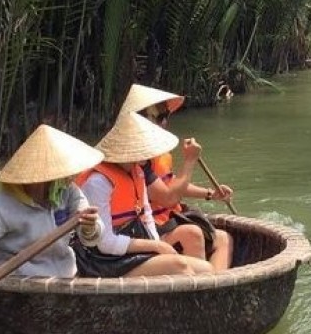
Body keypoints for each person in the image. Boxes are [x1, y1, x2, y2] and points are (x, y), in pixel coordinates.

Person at [0, 124, 105, 304]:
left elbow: (91, 239)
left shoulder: (67, 192)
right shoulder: (0, 206)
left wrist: (90, 227)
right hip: (22, 290)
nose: (70, 178)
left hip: (66, 280)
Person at [75, 111, 215, 277]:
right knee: (180, 266)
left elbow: (146, 216)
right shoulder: (98, 183)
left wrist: (155, 243)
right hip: (104, 259)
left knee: (207, 269)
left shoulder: (138, 173)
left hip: (132, 245)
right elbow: (104, 243)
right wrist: (156, 247)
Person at [120, 83, 235, 271]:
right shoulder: (136, 157)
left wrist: (210, 193)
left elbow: (171, 184)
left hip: (167, 220)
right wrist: (190, 161)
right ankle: (200, 291)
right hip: (146, 229)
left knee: (224, 239)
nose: (165, 123)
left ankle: (215, 290)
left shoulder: (156, 152)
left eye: (167, 116)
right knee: (192, 233)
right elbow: (169, 197)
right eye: (161, 117)